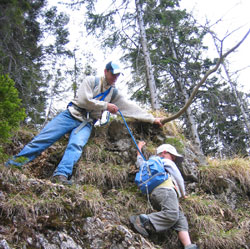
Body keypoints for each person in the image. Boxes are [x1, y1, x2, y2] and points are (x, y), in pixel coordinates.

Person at [6, 61, 164, 184]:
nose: (115, 78)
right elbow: (84, 100)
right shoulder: (91, 81)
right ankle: (14, 164)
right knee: (44, 138)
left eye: (118, 75)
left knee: (76, 146)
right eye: (113, 74)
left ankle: (61, 174)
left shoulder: (113, 93)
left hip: (86, 123)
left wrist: (152, 119)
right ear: (106, 72)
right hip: (70, 115)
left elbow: (131, 108)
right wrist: (105, 106)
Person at [130, 142, 211, 249]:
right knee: (172, 214)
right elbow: (178, 176)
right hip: (166, 190)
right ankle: (142, 220)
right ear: (163, 153)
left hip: (154, 194)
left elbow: (139, 160)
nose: (173, 159)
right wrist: (183, 194)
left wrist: (139, 148)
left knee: (179, 217)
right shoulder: (164, 161)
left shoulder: (148, 163)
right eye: (172, 156)